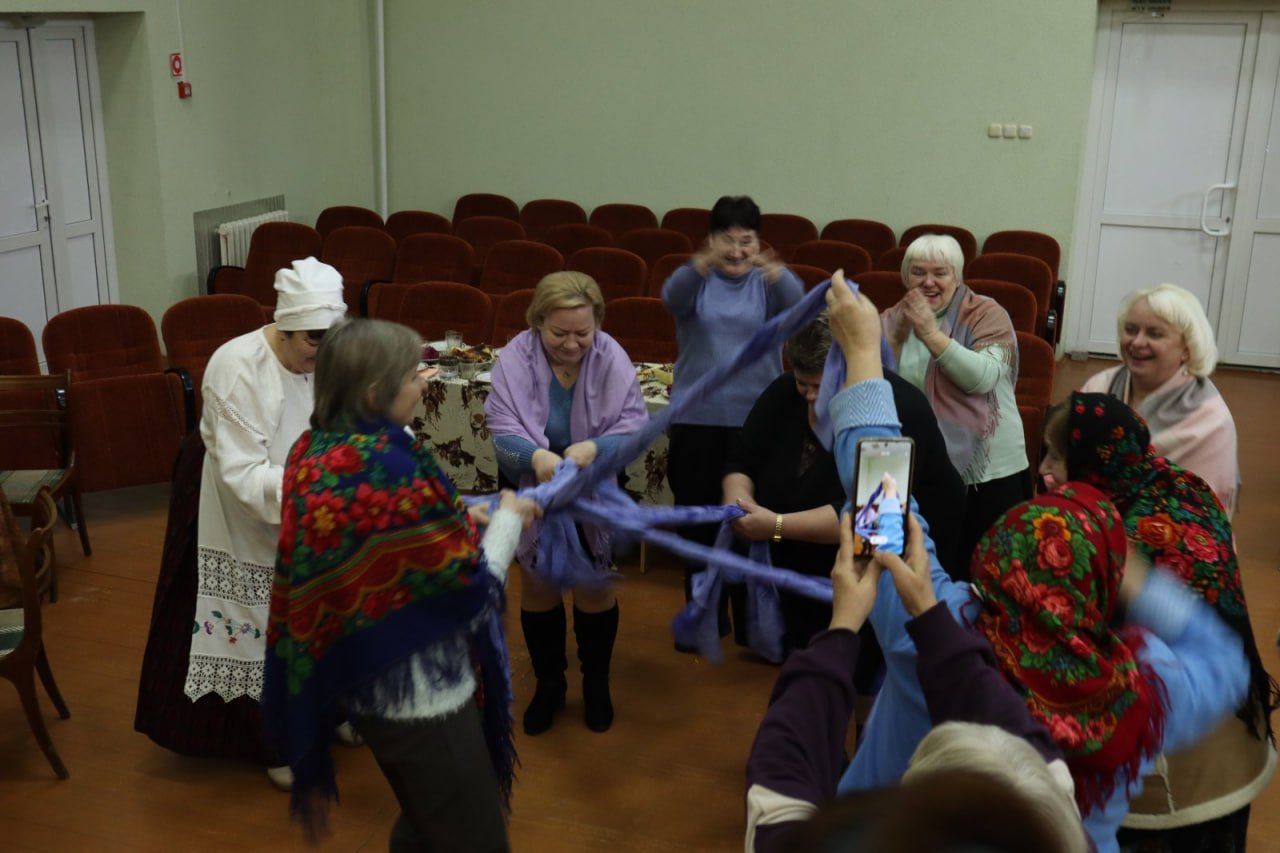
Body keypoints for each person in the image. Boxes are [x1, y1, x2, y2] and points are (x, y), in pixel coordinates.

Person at [823, 273, 1249, 853]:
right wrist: (1131, 575)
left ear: (1000, 558)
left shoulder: (934, 632)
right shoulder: (1138, 687)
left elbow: (879, 519)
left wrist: (862, 357)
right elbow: (1223, 658)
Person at [264, 318, 538, 851]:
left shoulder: (313, 449)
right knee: (473, 837)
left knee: (424, 818)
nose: (424, 384)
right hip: (423, 700)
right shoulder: (390, 465)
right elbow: (471, 590)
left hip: (365, 682)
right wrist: (508, 519)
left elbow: (376, 527)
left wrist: (454, 515)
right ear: (375, 393)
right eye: (413, 375)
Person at [744, 509, 1087, 853]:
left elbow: (782, 765)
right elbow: (1029, 752)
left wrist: (845, 625)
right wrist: (925, 612)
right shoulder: (1056, 832)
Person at [135, 257, 347, 786]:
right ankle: (275, 740)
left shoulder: (331, 353)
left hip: (312, 485)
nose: (321, 355)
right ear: (284, 328)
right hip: (241, 495)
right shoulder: (237, 367)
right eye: (311, 342)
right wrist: (320, 486)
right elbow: (244, 474)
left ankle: (337, 708)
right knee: (259, 617)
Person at [1041, 392, 1277, 851]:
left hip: (1173, 776)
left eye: (1055, 455)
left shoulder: (1106, 543)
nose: (1043, 467)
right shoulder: (1179, 486)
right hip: (1232, 734)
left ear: (1093, 464)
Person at [722, 313, 964, 655]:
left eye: (820, 386)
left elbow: (871, 519)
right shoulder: (783, 393)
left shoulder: (899, 411)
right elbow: (741, 459)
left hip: (888, 561)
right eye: (802, 384)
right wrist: (738, 502)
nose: (810, 396)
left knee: (864, 657)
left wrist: (775, 526)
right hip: (810, 555)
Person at [484, 271, 649, 735]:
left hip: (593, 486)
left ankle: (596, 685)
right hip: (533, 484)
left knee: (594, 585)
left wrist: (595, 448)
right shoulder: (514, 358)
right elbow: (502, 430)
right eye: (559, 333)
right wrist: (536, 457)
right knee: (539, 585)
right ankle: (550, 684)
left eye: (583, 332)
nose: (572, 344)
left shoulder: (612, 357)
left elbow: (634, 427)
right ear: (537, 321)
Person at [662, 195, 805, 639]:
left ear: (759, 243)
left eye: (747, 241)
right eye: (728, 240)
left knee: (750, 523)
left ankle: (751, 625)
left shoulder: (769, 284)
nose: (738, 251)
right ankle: (702, 618)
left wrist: (776, 272)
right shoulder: (695, 280)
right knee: (698, 524)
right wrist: (700, 264)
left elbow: (799, 307)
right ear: (711, 239)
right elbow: (672, 297)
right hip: (697, 420)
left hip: (757, 421)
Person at [880, 233, 1027, 575]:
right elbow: (872, 381)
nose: (928, 282)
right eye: (918, 272)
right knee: (926, 569)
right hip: (920, 465)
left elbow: (982, 378)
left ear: (957, 277)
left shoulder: (986, 314)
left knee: (987, 573)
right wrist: (896, 338)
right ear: (905, 277)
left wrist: (931, 335)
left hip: (986, 472)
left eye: (940, 273)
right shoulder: (891, 319)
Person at [1079, 283, 1240, 516]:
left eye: (1154, 334)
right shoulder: (1099, 386)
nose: (1137, 342)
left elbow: (1203, 510)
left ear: (1187, 348)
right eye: (1131, 330)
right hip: (1090, 518)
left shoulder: (1211, 420)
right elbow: (1063, 460)